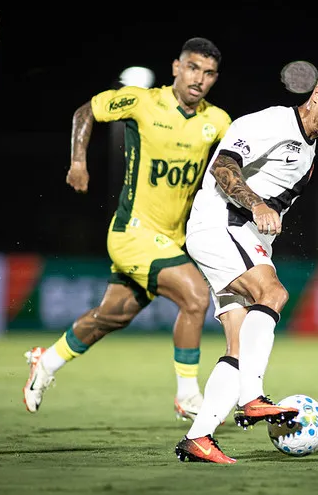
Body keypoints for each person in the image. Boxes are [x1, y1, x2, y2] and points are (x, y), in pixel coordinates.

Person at [22, 38, 231, 421]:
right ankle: (188, 396)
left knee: (112, 316)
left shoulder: (217, 121)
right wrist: (78, 162)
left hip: (170, 240)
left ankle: (46, 362)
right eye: (192, 68)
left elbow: (235, 163)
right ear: (176, 67)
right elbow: (86, 111)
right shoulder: (142, 101)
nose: (199, 79)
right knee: (196, 297)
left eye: (209, 73)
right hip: (132, 233)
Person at [173, 63, 318, 463]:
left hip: (240, 237)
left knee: (238, 346)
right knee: (273, 293)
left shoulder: (309, 147)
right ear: (317, 96)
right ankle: (252, 397)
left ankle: (199, 438)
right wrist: (256, 204)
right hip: (222, 225)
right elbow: (223, 166)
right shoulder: (273, 123)